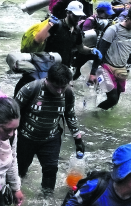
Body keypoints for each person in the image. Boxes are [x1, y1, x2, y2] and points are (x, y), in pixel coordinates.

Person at [15, 61, 82, 194]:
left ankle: (46, 200)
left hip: (51, 138)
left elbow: (70, 115)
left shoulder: (67, 93)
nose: (59, 91)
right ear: (47, 80)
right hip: (26, 138)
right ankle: (16, 194)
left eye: (63, 87)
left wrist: (78, 139)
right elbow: (13, 113)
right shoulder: (30, 89)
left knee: (51, 170)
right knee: (20, 169)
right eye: (56, 87)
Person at [90, 7, 131, 109]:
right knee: (112, 99)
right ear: (128, 18)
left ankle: (102, 117)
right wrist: (93, 72)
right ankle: (94, 114)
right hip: (106, 67)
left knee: (115, 101)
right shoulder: (113, 30)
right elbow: (101, 51)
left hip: (121, 68)